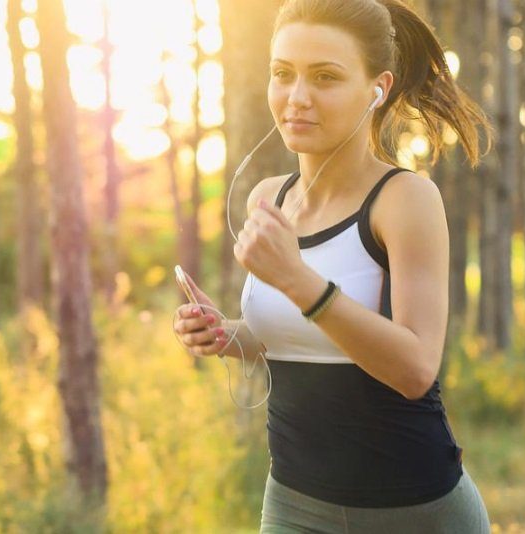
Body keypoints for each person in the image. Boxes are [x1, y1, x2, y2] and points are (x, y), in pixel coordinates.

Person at [173, 0, 494, 532]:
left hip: (417, 510)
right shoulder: (268, 198)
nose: (297, 98)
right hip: (295, 504)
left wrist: (299, 282)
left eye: (325, 77)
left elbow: (415, 369)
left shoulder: (404, 199)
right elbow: (289, 337)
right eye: (283, 74)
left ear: (378, 88)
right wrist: (227, 335)